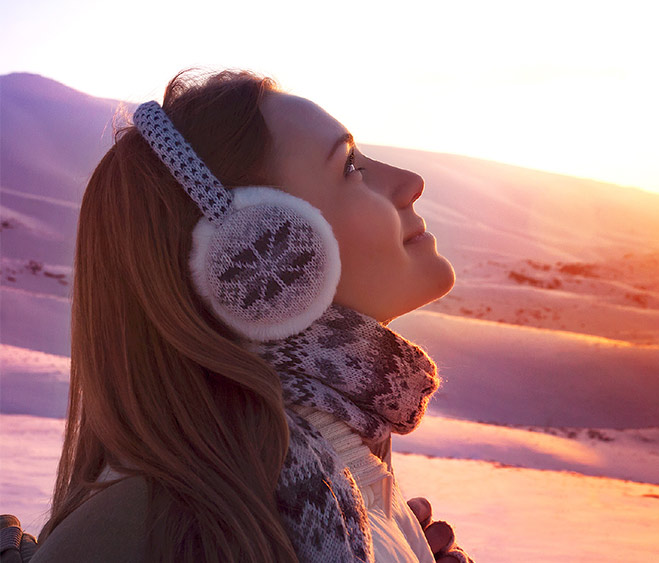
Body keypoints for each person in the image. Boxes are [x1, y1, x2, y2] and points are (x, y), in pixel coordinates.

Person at [30, 68, 470, 562]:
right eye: (350, 167)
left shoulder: (347, 475)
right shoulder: (160, 531)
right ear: (255, 249)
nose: (411, 182)